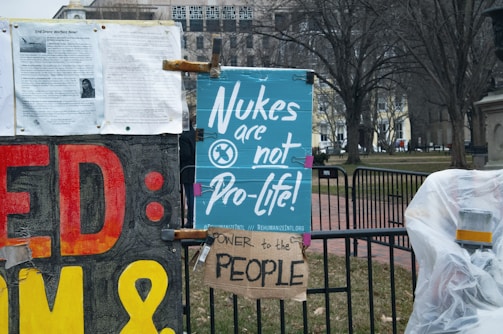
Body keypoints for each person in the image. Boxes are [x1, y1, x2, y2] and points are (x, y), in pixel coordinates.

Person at [179, 115, 196, 228]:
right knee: (197, 195)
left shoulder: (183, 137)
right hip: (197, 172)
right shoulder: (197, 133)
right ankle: (195, 218)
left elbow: (186, 154)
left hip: (188, 172)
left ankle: (190, 220)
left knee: (190, 196)